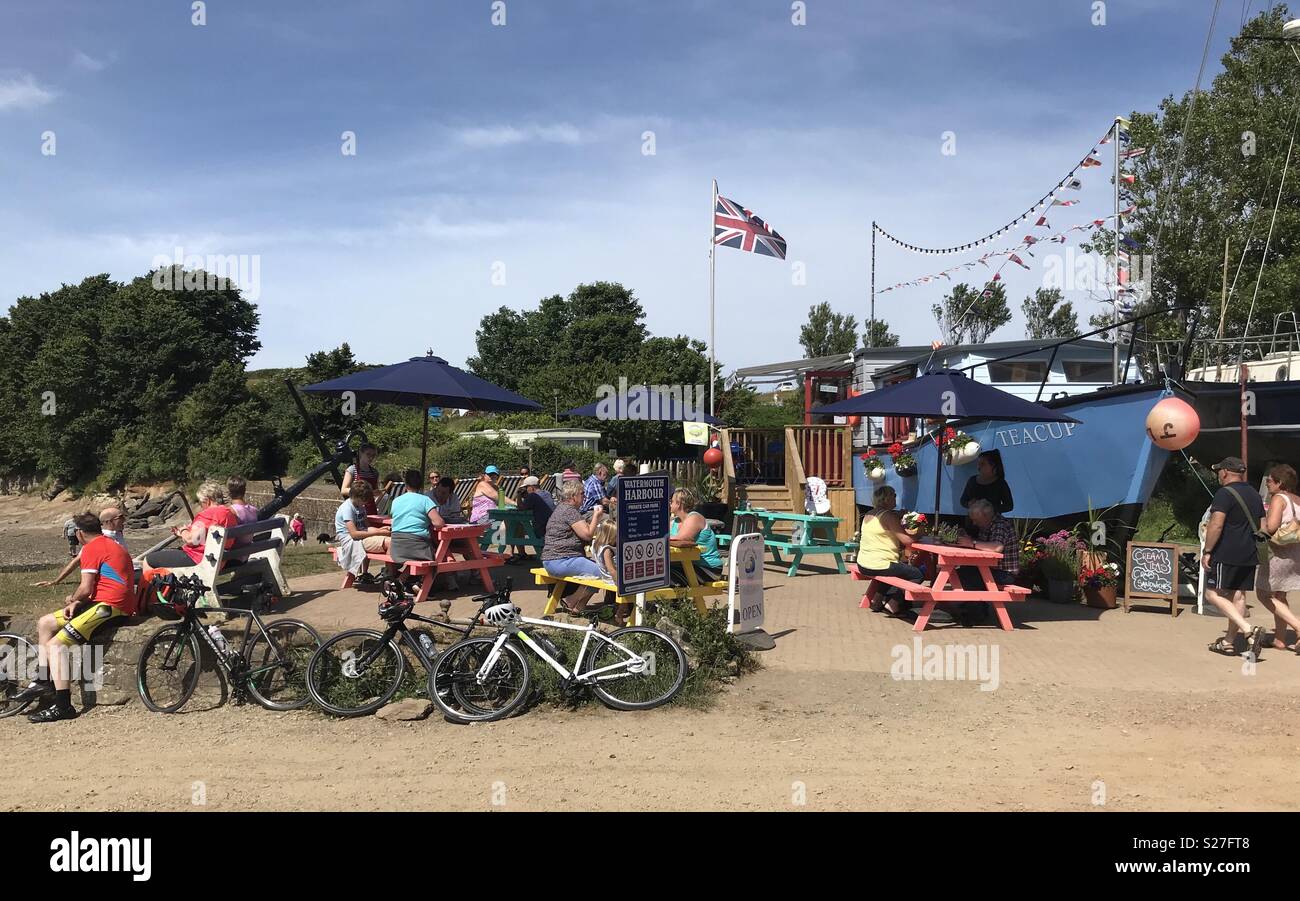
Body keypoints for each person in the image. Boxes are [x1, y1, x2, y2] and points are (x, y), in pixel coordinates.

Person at [17, 513, 136, 723]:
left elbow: (86, 587)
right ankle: (44, 680)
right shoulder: (109, 543)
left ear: (79, 534)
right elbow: (100, 586)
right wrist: (78, 603)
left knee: (55, 645)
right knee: (45, 623)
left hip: (111, 608)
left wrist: (72, 598)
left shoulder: (91, 548)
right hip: (104, 602)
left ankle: (63, 706)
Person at [1203, 457, 1267, 658]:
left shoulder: (1224, 494)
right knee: (1239, 596)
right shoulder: (1255, 494)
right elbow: (1263, 527)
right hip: (1249, 552)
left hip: (1226, 551)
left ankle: (1248, 629)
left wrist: (1207, 551)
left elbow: (1216, 524)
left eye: (1219, 471)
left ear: (1225, 472)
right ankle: (1229, 642)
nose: (1218, 475)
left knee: (1212, 594)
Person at [541, 480, 606, 614]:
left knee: (596, 568)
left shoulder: (561, 508)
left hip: (553, 559)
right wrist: (596, 516)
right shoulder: (570, 511)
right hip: (561, 560)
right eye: (582, 494)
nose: (584, 497)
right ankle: (571, 601)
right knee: (599, 571)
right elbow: (587, 534)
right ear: (573, 496)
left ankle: (578, 607)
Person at [854, 486, 922, 615]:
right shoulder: (888, 516)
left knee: (894, 570)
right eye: (894, 495)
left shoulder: (870, 513)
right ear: (886, 499)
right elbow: (907, 540)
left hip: (863, 563)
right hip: (879, 564)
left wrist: (899, 515)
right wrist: (920, 534)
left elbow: (887, 523)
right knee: (917, 574)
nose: (896, 497)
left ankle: (877, 600)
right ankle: (894, 603)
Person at [953, 499, 1020, 627]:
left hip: (1004, 573)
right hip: (992, 569)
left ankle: (975, 613)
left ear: (986, 516)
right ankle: (973, 607)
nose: (974, 523)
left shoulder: (1000, 525)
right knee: (963, 572)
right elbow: (983, 545)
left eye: (976, 520)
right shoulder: (987, 524)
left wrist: (971, 543)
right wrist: (968, 538)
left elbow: (997, 547)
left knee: (967, 576)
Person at [144, 481, 238, 568]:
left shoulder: (207, 515)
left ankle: (145, 586)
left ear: (208, 501)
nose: (201, 506)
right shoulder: (230, 513)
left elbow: (191, 540)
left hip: (199, 559)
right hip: (220, 560)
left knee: (148, 560)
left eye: (201, 502)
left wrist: (183, 530)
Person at [1257, 464, 1300, 651]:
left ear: (1280, 482)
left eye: (1270, 480)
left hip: (1278, 554)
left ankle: (1298, 626)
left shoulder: (1278, 499)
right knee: (1280, 594)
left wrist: (1259, 528)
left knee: (1263, 594)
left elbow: (1272, 527)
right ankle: (1280, 639)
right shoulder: (1297, 500)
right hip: (1294, 552)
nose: (1267, 483)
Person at [32, 507, 129, 588]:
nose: (124, 520)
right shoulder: (100, 539)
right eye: (120, 517)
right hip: (116, 579)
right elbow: (77, 561)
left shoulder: (118, 534)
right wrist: (56, 581)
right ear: (109, 521)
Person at [388, 470, 446, 577]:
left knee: (418, 558)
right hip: (417, 546)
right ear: (420, 484)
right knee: (437, 556)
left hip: (397, 547)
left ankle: (403, 579)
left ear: (406, 484)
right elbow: (438, 523)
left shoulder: (396, 501)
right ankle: (406, 580)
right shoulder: (425, 500)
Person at [334, 483, 392, 583]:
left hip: (361, 537)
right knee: (391, 543)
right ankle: (389, 578)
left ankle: (390, 574)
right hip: (352, 541)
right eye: (364, 501)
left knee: (393, 538)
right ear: (357, 498)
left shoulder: (359, 506)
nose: (365, 503)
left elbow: (367, 527)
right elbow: (354, 534)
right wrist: (378, 532)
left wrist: (382, 530)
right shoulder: (347, 508)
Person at [668, 488, 723, 584]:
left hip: (708, 568)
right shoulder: (675, 521)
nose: (670, 504)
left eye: (672, 501)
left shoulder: (695, 517)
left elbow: (681, 538)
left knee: (663, 579)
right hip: (687, 565)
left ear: (679, 503)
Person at [590, 518, 632, 626]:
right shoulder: (607, 550)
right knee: (629, 591)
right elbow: (612, 570)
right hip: (611, 578)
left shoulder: (595, 544)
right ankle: (619, 614)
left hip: (605, 576)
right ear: (609, 536)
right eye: (615, 536)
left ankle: (623, 609)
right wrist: (619, 582)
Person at [960, 450, 1014, 517]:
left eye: (982, 464)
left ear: (993, 465)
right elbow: (963, 501)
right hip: (973, 521)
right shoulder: (972, 480)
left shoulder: (1000, 483)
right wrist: (969, 504)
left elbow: (1009, 506)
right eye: (978, 464)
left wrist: (990, 508)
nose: (979, 467)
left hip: (993, 522)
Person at [340, 444, 380, 516]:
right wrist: (363, 491)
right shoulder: (352, 470)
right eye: (368, 454)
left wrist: (377, 492)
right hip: (356, 508)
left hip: (371, 508)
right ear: (361, 453)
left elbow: (375, 490)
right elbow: (343, 490)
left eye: (373, 455)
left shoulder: (374, 472)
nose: (371, 457)